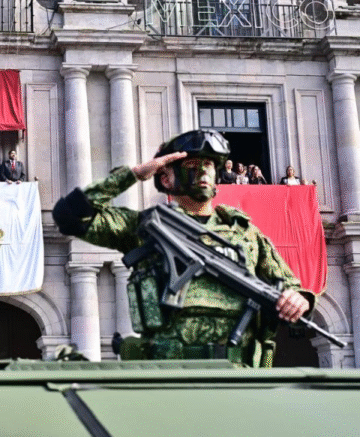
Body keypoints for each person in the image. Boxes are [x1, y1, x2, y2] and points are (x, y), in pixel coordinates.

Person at [52, 129, 312, 367]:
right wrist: (134, 174)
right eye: (191, 166)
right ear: (165, 179)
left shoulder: (245, 233)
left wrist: (297, 300)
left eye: (209, 165)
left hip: (239, 374)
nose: (203, 172)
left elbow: (292, 287)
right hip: (169, 374)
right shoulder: (144, 227)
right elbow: (69, 216)